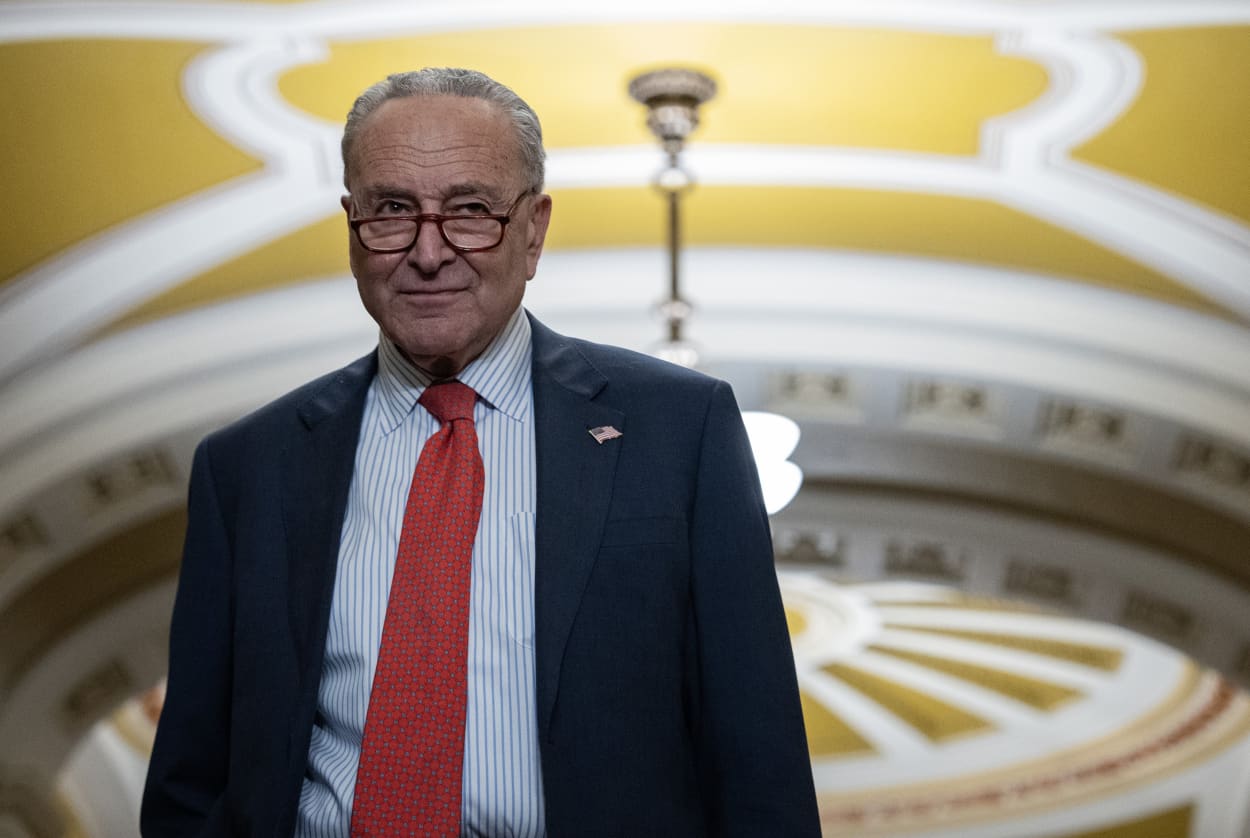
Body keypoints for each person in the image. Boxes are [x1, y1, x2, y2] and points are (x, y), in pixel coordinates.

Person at [141, 67, 820, 837]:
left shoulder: (680, 428)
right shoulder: (247, 468)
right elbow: (190, 785)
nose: (428, 253)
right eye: (392, 211)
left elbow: (759, 766)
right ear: (352, 226)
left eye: (470, 211)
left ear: (533, 230)